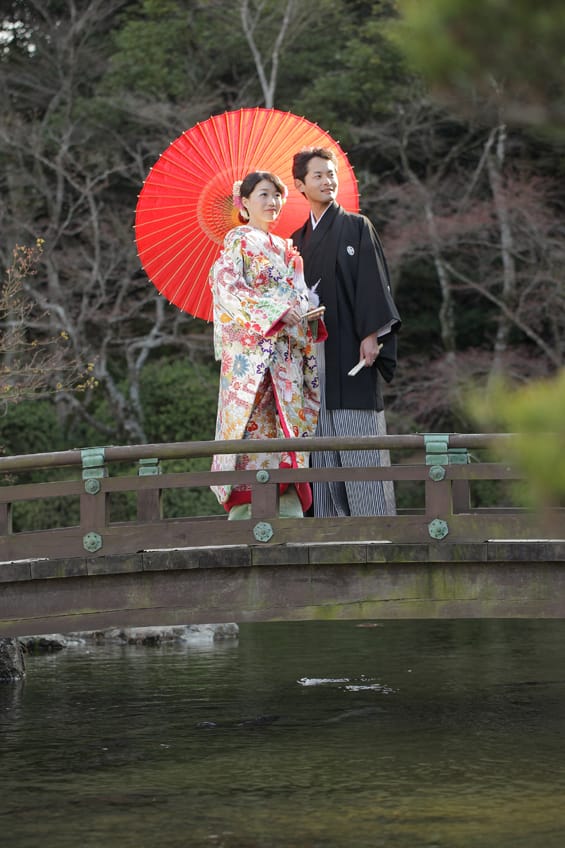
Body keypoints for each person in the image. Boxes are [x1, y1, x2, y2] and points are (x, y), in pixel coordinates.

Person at [209, 170, 326, 520]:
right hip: (254, 357)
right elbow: (225, 287)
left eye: (277, 195)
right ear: (244, 203)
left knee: (286, 428)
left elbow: (298, 295)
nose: (272, 202)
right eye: (263, 194)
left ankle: (287, 508)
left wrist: (305, 311)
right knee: (252, 431)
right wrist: (275, 312)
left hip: (286, 357)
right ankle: (246, 514)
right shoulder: (238, 241)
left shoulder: (286, 249)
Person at [291, 147, 401, 517]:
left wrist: (371, 334)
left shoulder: (356, 226)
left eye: (331, 174)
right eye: (318, 175)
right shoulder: (296, 241)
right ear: (300, 185)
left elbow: (372, 283)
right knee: (321, 448)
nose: (328, 181)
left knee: (360, 441)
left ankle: (376, 527)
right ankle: (329, 531)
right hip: (313, 359)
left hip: (352, 352)